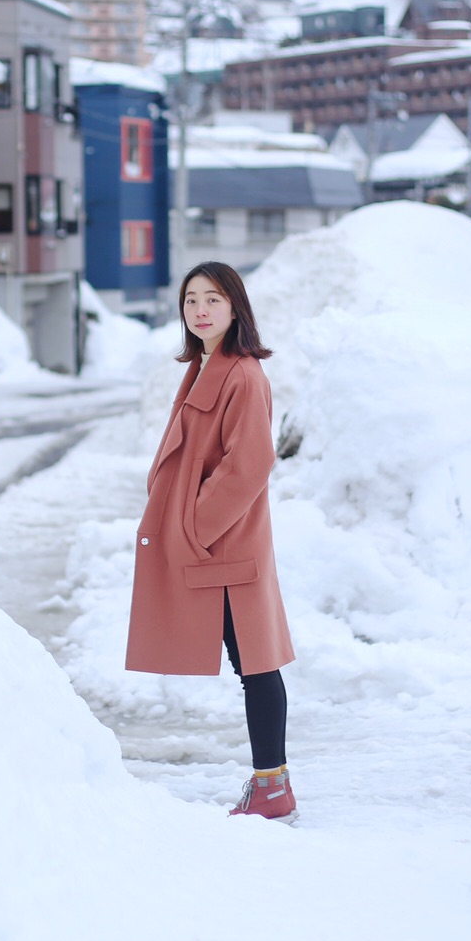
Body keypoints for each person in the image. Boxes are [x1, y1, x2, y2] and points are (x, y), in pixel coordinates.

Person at [126, 261, 297, 821]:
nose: (200, 310)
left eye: (213, 300)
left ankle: (272, 785)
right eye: (191, 300)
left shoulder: (242, 373)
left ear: (235, 307)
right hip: (218, 544)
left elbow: (248, 465)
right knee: (252, 660)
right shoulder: (206, 366)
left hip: (224, 545)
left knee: (255, 661)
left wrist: (192, 527)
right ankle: (270, 781)